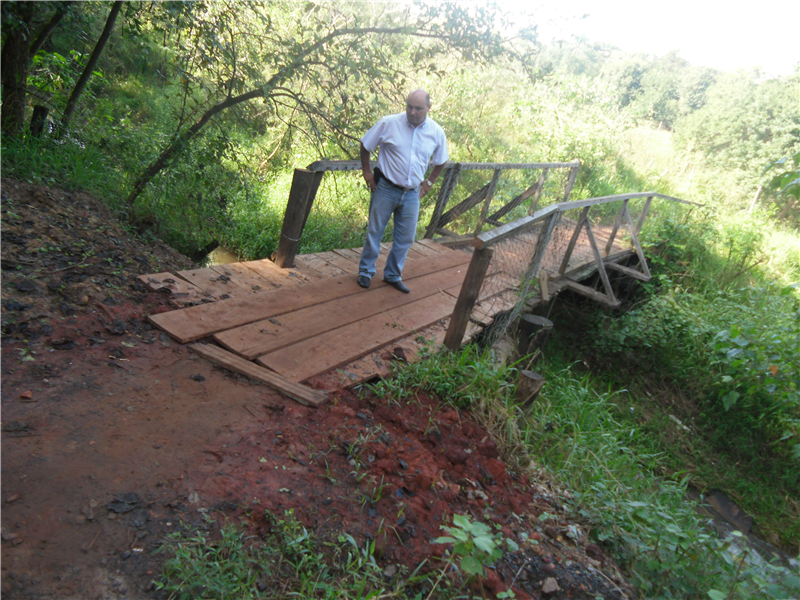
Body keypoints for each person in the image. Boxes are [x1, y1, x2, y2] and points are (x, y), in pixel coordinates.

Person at [357, 89, 449, 293]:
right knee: (375, 230)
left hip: (412, 193)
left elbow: (442, 160)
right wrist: (366, 171)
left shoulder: (436, 132)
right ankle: (366, 271)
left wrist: (430, 182)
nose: (413, 112)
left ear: (428, 108)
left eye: (418, 108)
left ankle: (392, 274)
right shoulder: (389, 123)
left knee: (406, 236)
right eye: (409, 106)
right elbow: (365, 144)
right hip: (385, 187)